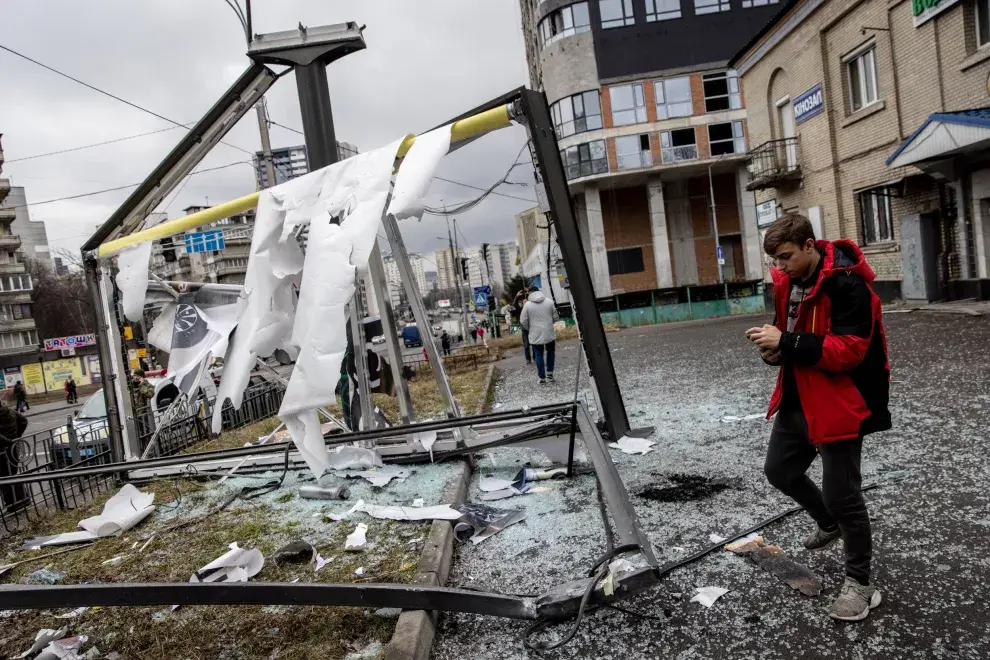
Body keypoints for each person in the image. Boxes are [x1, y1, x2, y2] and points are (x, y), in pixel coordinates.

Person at [747, 213, 890, 623]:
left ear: (810, 245)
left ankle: (861, 585)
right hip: (798, 394)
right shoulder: (787, 282)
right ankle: (828, 524)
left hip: (841, 400)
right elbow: (789, 333)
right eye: (774, 259)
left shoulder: (847, 282)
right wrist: (774, 350)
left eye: (787, 257)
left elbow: (850, 350)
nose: (780, 267)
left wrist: (788, 341)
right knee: (780, 470)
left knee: (843, 493)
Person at [520, 287, 559, 385]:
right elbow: (556, 317)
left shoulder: (527, 305)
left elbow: (523, 321)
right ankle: (550, 374)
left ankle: (542, 378)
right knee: (550, 352)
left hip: (535, 333)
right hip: (549, 331)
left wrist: (530, 328)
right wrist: (549, 324)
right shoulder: (549, 302)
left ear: (530, 293)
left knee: (538, 354)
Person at [0, 401, 28, 511]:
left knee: (5, 478)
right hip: (13, 448)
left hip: (2, 451)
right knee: (12, 474)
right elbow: (23, 421)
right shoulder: (9, 411)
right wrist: (16, 436)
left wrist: (7, 441)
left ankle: (13, 505)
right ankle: (22, 500)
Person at [512, 288, 532, 364]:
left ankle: (535, 357)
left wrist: (529, 292)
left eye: (526, 301)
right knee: (526, 344)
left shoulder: (531, 306)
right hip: (524, 328)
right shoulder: (520, 309)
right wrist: (516, 296)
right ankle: (528, 359)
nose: (525, 301)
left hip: (532, 327)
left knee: (534, 343)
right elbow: (514, 304)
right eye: (524, 301)